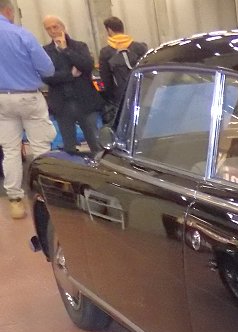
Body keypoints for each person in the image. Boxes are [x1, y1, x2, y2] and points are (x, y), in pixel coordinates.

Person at [0, 0, 55, 219]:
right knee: (40, 146)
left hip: (2, 100)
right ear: (8, 11)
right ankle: (47, 194)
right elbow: (48, 69)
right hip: (28, 96)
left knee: (11, 151)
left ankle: (15, 201)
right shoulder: (22, 34)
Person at [41, 15, 103, 156]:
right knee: (69, 146)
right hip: (62, 104)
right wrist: (70, 75)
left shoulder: (79, 46)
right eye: (48, 29)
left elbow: (87, 66)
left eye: (55, 27)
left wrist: (66, 50)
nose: (52, 31)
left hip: (85, 102)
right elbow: (47, 76)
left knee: (95, 142)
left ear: (63, 27)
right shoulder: (46, 52)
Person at [98, 16, 146, 113]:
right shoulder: (140, 47)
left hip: (120, 96)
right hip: (141, 92)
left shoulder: (106, 52)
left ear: (109, 30)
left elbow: (106, 78)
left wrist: (112, 97)